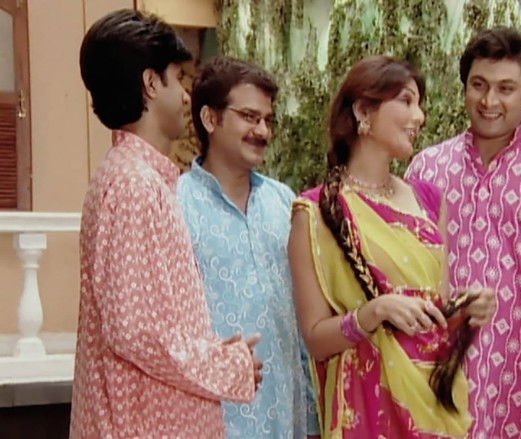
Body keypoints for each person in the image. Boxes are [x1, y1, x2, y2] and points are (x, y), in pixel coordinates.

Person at [71, 10, 261, 438]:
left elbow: (150, 323)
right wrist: (225, 366)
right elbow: (136, 332)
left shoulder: (139, 179)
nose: (186, 96)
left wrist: (219, 356)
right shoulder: (132, 185)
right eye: (178, 78)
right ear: (151, 83)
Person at [288, 55, 497, 439]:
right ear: (362, 110)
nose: (419, 116)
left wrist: (465, 310)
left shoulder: (429, 200)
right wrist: (375, 312)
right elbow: (316, 340)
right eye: (406, 101)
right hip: (365, 408)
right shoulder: (317, 211)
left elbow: (436, 313)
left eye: (420, 104)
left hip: (431, 401)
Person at [405, 27, 521, 438]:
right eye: (479, 85)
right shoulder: (427, 170)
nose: (489, 101)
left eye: (505, 88)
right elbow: (409, 273)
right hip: (439, 375)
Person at [178, 56, 319, 438]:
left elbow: (301, 316)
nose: (262, 131)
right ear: (210, 118)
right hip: (212, 419)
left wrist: (311, 417)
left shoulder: (285, 203)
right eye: (249, 117)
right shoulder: (176, 205)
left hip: (285, 416)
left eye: (268, 120)